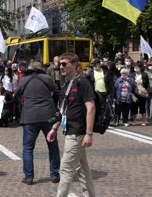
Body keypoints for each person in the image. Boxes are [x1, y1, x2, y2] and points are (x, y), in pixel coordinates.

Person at [52, 52, 96, 197]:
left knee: (65, 169)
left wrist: (89, 134)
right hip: (69, 129)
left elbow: (91, 108)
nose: (61, 67)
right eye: (60, 64)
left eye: (64, 64)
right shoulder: (66, 84)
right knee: (82, 169)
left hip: (77, 131)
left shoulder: (83, 82)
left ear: (75, 64)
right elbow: (64, 109)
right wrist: (54, 128)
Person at [14, 61, 59, 185]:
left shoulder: (24, 80)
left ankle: (29, 177)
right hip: (48, 115)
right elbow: (56, 90)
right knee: (53, 146)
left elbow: (16, 94)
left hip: (30, 116)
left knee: (28, 148)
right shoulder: (47, 78)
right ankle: (55, 174)